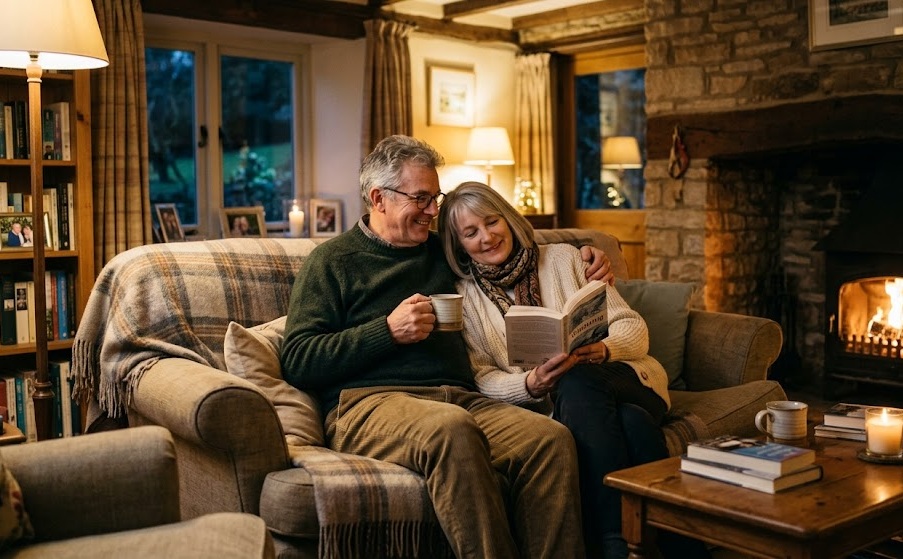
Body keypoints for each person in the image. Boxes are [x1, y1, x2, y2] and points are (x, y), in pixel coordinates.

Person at [280, 135, 613, 559]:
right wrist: (387, 330)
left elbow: (507, 245)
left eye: (435, 198)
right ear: (379, 198)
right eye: (421, 199)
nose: (434, 211)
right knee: (450, 431)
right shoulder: (331, 261)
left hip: (461, 398)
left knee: (549, 440)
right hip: (368, 405)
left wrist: (584, 255)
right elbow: (298, 359)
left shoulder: (443, 251)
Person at [438, 181, 709, 559]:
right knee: (632, 425)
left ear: (509, 219)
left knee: (578, 377)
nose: (486, 237)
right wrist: (530, 384)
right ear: (458, 245)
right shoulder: (465, 297)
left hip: (628, 379)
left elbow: (632, 327)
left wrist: (600, 349)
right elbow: (481, 376)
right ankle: (683, 547)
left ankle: (613, 544)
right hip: (570, 405)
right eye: (470, 232)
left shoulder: (565, 259)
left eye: (491, 222)